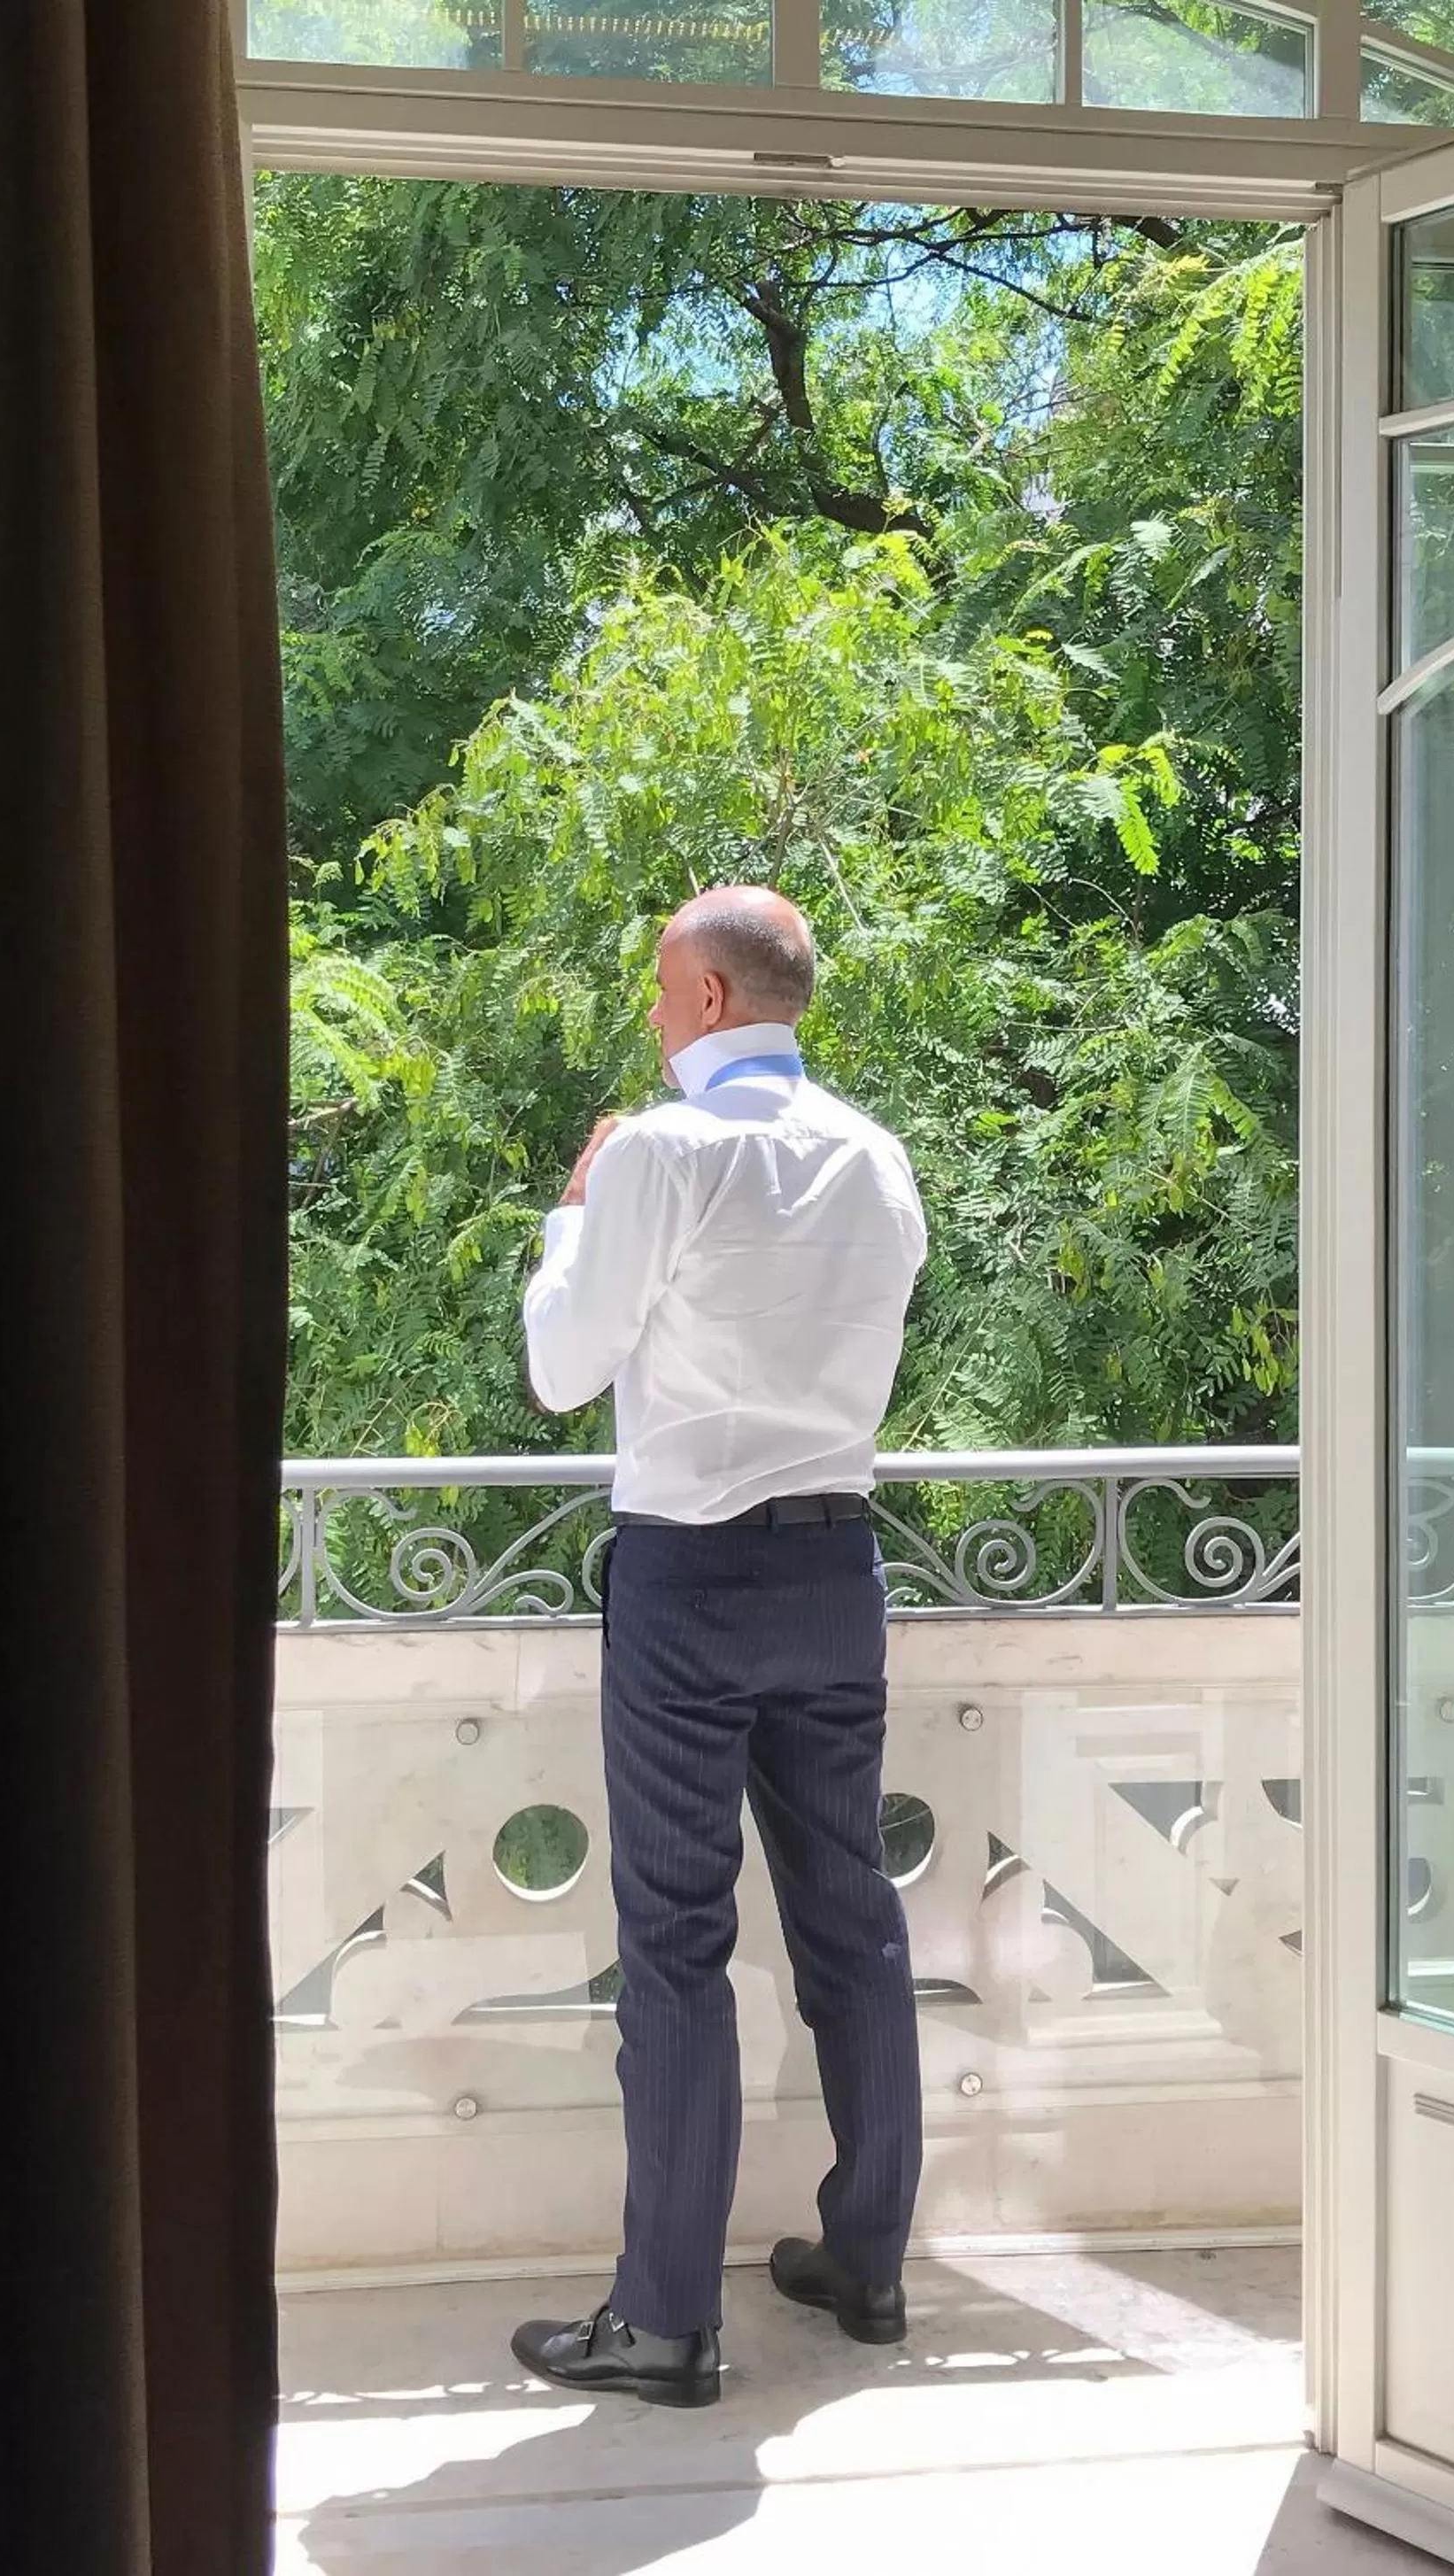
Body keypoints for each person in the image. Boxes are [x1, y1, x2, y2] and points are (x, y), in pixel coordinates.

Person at [510, 885, 928, 2410]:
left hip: (687, 1580)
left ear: (698, 996)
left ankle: (667, 2320)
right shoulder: (878, 1159)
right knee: (853, 1918)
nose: (650, 1008)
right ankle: (867, 2263)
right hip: (838, 1568)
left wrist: (572, 1212)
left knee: (678, 1941)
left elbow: (562, 1371)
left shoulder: (660, 1153)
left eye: (655, 984)